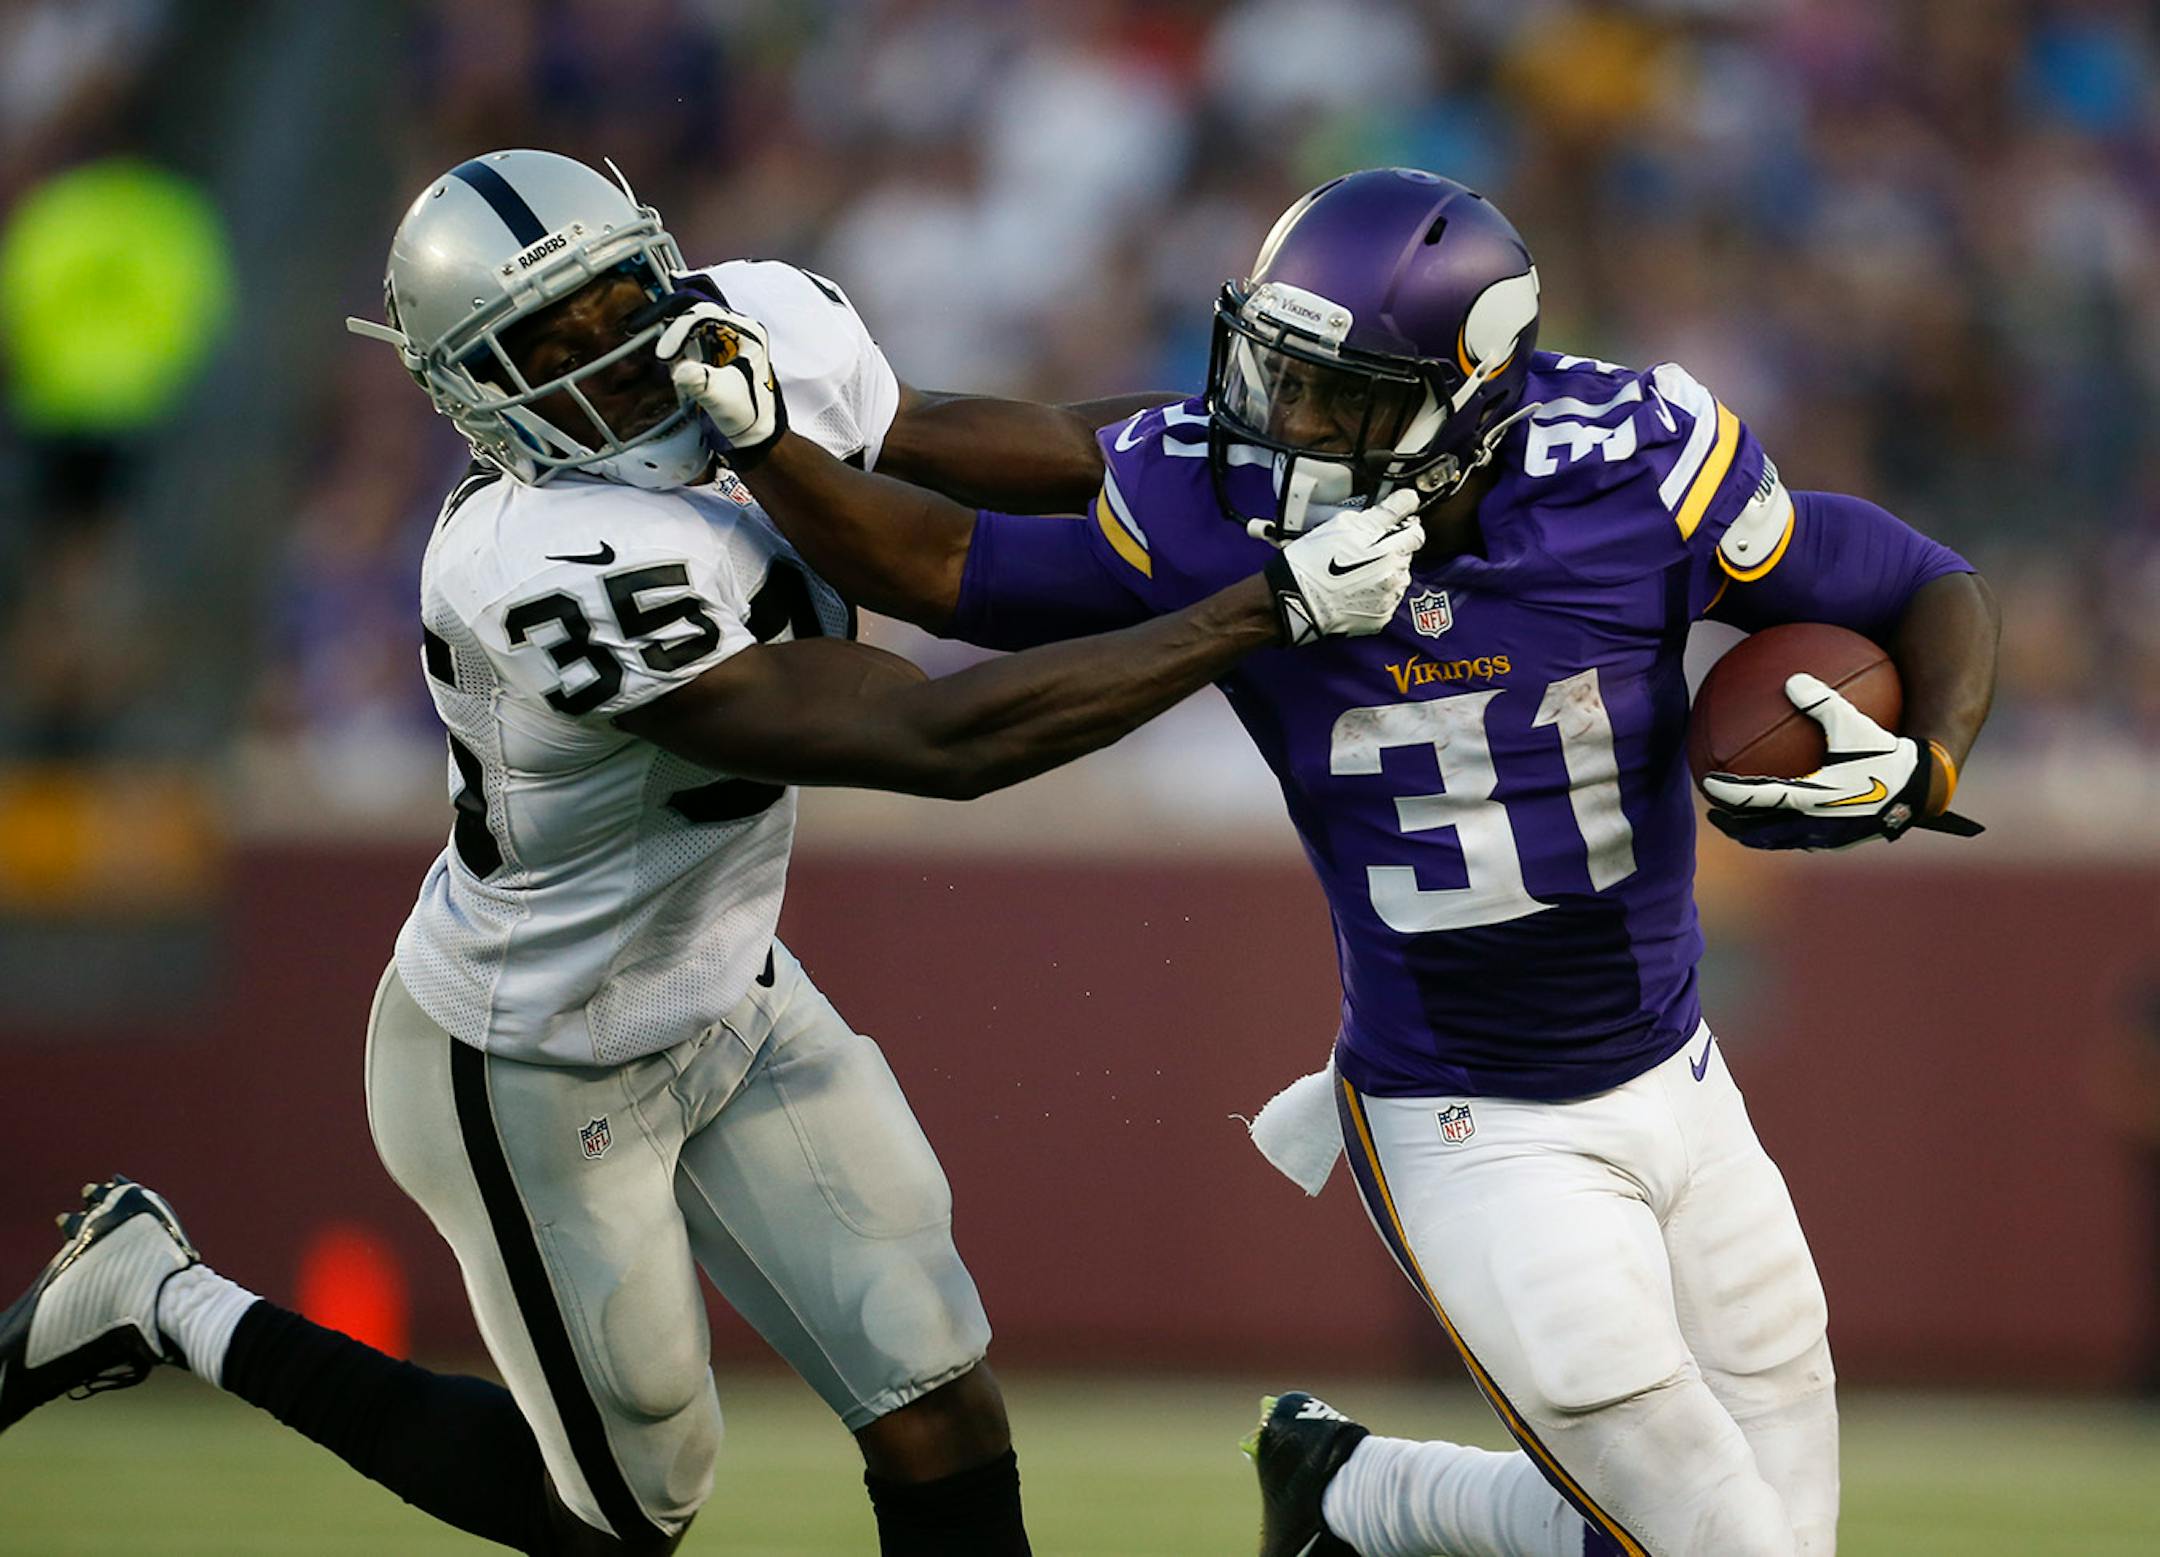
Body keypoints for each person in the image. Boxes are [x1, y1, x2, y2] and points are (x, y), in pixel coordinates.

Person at [0, 150, 1427, 1556]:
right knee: (626, 1508)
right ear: (471, 391)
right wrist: (1263, 606)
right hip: (535, 1051)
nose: (613, 352)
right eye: (547, 342)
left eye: (620, 297)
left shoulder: (751, 331)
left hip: (730, 988)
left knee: (933, 1386)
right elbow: (932, 740)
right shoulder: (530, 562)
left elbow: (1021, 442)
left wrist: (1277, 453)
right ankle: (157, 1296)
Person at [675, 168, 2002, 1557]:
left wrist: (1932, 760)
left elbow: (1916, 578)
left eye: (1341, 393)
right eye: (1280, 370)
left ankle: (1349, 1498)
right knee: (1728, 1546)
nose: (1283, 421)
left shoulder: (1633, 462)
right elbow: (946, 568)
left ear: (1476, 393)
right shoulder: (1230, 511)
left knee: (1773, 1530)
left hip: (1684, 1081)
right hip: (1470, 1120)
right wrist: (778, 446)